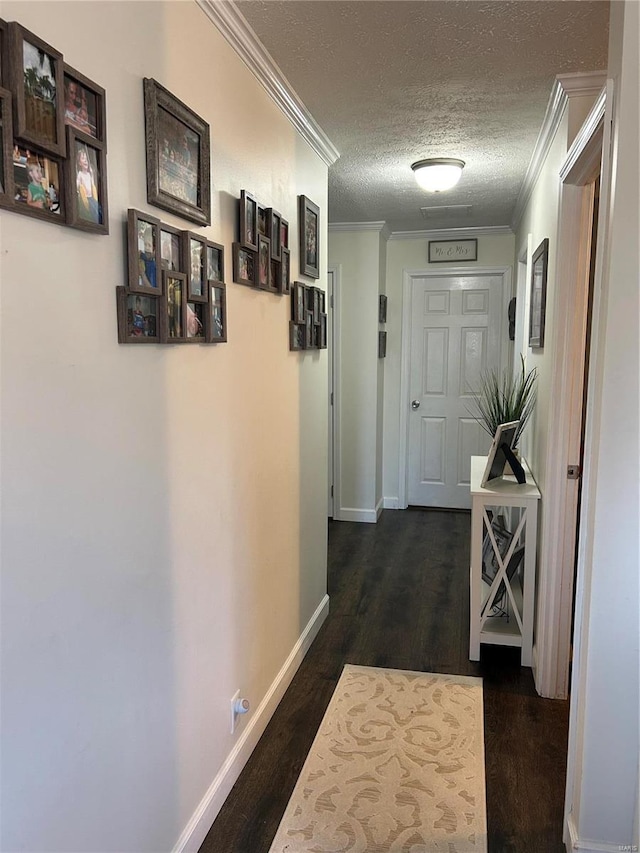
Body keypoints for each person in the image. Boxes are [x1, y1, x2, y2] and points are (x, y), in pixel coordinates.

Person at [76, 146, 100, 223]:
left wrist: (92, 174)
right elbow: (77, 184)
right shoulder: (80, 174)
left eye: (86, 159)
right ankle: (96, 221)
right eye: (83, 159)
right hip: (86, 199)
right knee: (93, 209)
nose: (86, 161)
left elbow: (93, 185)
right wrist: (78, 190)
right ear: (79, 163)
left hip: (91, 198)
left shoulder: (89, 174)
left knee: (98, 207)